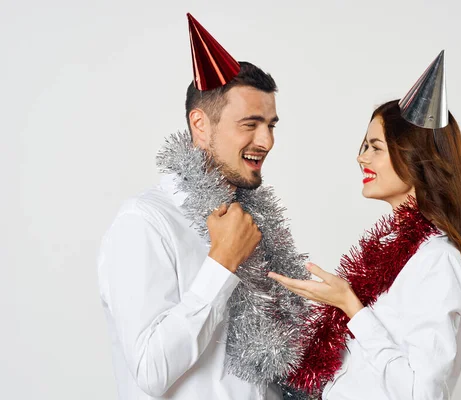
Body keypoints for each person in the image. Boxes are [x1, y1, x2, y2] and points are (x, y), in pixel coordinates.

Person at [98, 14, 309, 400]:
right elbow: (149, 368)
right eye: (250, 123)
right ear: (200, 124)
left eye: (272, 125)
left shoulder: (256, 225)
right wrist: (222, 263)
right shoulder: (145, 222)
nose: (266, 141)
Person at [269, 51, 461, 400]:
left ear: (413, 156)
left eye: (375, 147)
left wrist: (352, 308)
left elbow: (421, 394)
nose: (361, 157)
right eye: (364, 146)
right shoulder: (394, 251)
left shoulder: (438, 261)